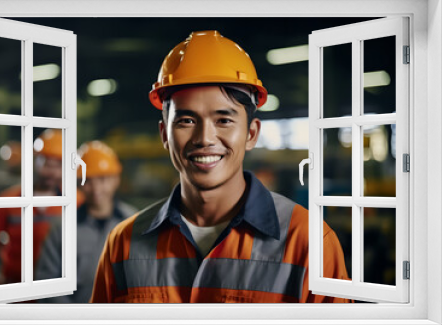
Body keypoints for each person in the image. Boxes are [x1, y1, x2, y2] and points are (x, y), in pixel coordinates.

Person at [90, 30, 350, 303]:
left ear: (251, 134)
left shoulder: (308, 242)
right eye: (186, 121)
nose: (204, 138)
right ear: (165, 135)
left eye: (223, 120)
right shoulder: (123, 244)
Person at [36, 141, 137, 302]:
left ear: (116, 179)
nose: (96, 189)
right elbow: (48, 282)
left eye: (103, 179)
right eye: (88, 180)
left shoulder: (134, 223)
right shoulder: (62, 228)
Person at [0, 129, 74, 285]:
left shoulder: (76, 202)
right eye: (46, 162)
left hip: (56, 291)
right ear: (34, 161)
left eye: (58, 164)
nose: (51, 171)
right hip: (15, 288)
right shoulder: (9, 200)